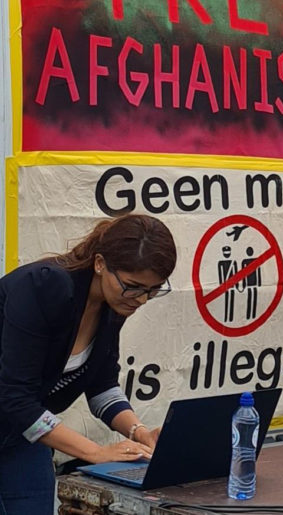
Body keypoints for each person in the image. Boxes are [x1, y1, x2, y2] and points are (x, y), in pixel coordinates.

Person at [0, 213, 177, 514]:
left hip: (20, 435)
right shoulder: (44, 286)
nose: (141, 300)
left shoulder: (114, 305)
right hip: (18, 417)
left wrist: (139, 432)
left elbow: (102, 385)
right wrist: (95, 452)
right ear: (99, 263)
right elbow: (15, 398)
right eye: (134, 286)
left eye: (153, 290)